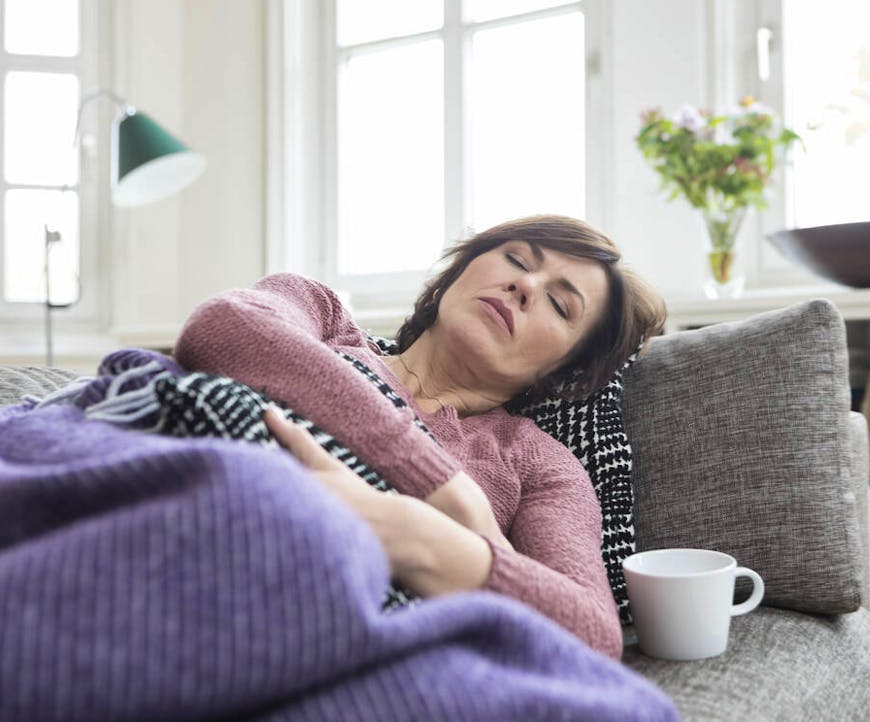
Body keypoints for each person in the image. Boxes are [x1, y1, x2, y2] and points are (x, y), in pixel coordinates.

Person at [173, 214, 666, 659]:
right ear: (459, 271)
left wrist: (412, 533)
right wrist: (444, 488)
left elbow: (592, 635)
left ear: (564, 371)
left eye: (560, 305)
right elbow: (221, 329)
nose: (524, 284)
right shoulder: (324, 319)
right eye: (516, 259)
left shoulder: (539, 463)